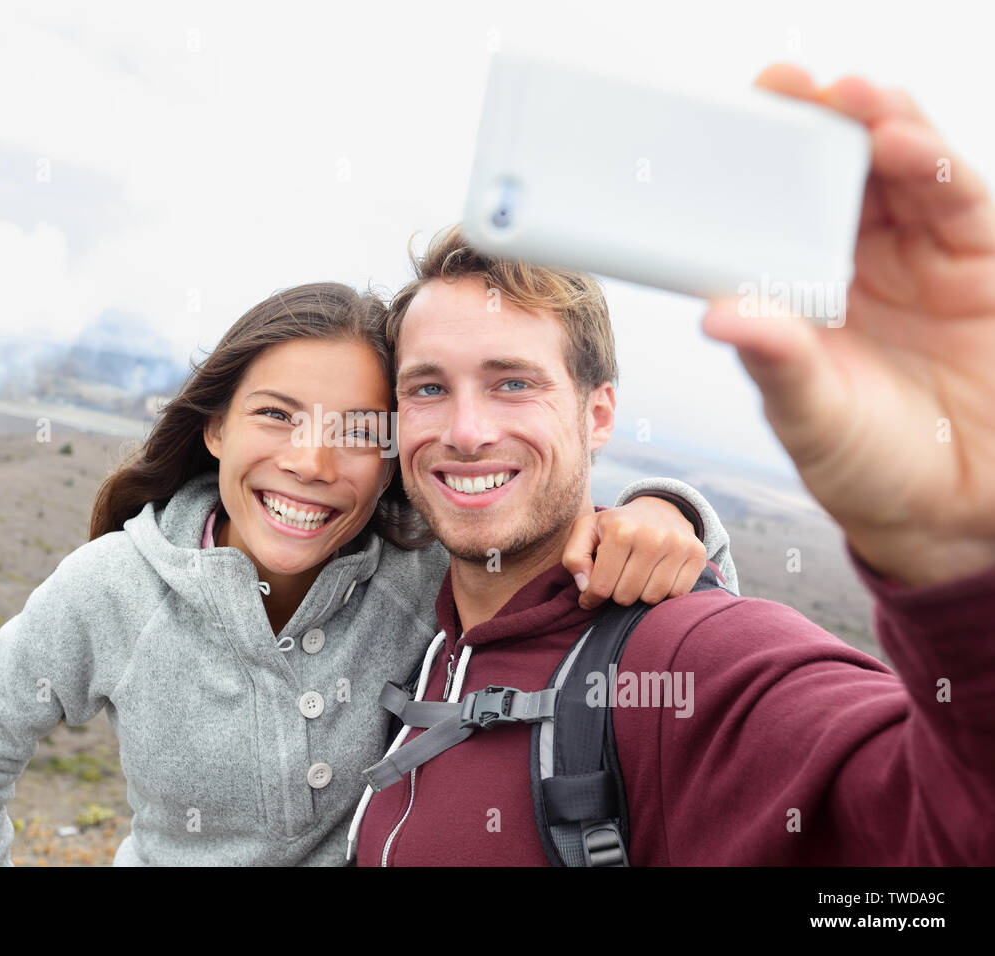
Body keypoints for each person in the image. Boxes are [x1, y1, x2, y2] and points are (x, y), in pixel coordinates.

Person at [349, 64, 995, 866]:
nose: (468, 430)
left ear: (599, 415)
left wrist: (962, 566)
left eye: (514, 383)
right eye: (429, 387)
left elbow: (941, 835)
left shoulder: (685, 656)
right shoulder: (414, 626)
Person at [0, 281, 738, 866]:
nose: (310, 462)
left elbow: (665, 574)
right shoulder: (113, 588)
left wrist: (670, 511)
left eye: (356, 430)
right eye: (274, 415)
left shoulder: (424, 573)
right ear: (214, 431)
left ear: (391, 463)